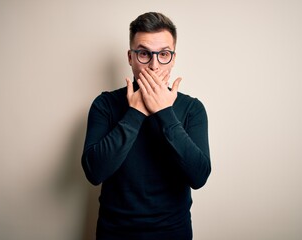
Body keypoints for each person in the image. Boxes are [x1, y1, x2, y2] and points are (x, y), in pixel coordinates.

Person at [81, 12, 211, 240]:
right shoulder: (105, 105)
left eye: (163, 54)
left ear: (173, 58)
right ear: (130, 57)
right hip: (115, 233)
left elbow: (199, 177)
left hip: (173, 232)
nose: (153, 65)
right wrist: (136, 111)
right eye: (143, 54)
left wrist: (164, 113)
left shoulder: (193, 109)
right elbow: (94, 172)